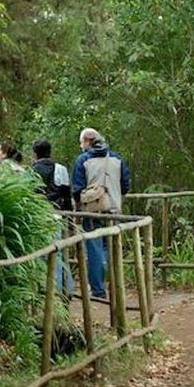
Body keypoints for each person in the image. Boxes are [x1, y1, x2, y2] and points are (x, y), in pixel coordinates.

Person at [71, 127, 131, 299]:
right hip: (114, 209)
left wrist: (81, 203)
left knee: (94, 247)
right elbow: (125, 185)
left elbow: (77, 189)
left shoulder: (83, 160)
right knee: (111, 246)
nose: (81, 146)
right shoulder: (116, 159)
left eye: (81, 142)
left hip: (92, 210)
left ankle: (98, 290)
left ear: (88, 141)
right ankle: (115, 284)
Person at [31, 139, 74, 295]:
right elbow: (67, 196)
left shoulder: (32, 171)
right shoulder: (60, 169)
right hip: (58, 216)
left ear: (35, 153)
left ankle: (47, 289)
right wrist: (70, 220)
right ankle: (63, 288)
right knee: (59, 253)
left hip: (39, 217)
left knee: (42, 254)